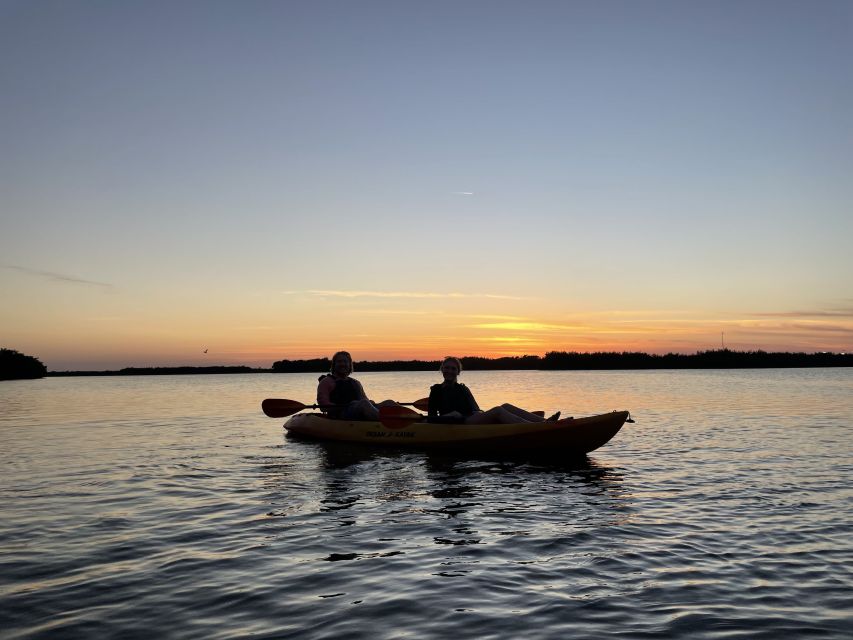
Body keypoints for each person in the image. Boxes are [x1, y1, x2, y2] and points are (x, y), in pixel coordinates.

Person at [428, 356, 560, 424]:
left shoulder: (463, 388)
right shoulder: (436, 390)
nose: (449, 371)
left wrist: (483, 415)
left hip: (473, 418)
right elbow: (431, 418)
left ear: (458, 372)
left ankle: (544, 422)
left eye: (453, 369)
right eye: (446, 368)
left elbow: (475, 409)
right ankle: (535, 427)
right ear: (442, 370)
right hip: (461, 422)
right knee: (498, 410)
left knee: (505, 406)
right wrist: (449, 416)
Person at [317, 351, 395, 421]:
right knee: (364, 404)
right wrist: (348, 406)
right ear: (334, 365)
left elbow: (365, 401)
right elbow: (323, 407)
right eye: (339, 361)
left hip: (359, 411)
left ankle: (405, 422)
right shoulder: (326, 382)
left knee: (389, 403)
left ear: (349, 364)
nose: (342, 364)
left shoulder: (356, 383)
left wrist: (370, 403)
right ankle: (387, 422)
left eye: (345, 362)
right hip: (341, 414)